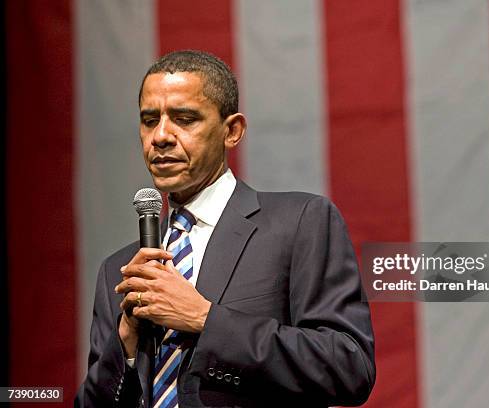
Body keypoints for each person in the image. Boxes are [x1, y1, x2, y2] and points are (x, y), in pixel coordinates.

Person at [76, 50, 375, 407]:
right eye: (149, 120)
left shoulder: (300, 222)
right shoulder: (120, 270)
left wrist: (206, 319)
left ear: (231, 131)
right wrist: (125, 340)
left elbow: (348, 367)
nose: (161, 136)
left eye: (184, 119)